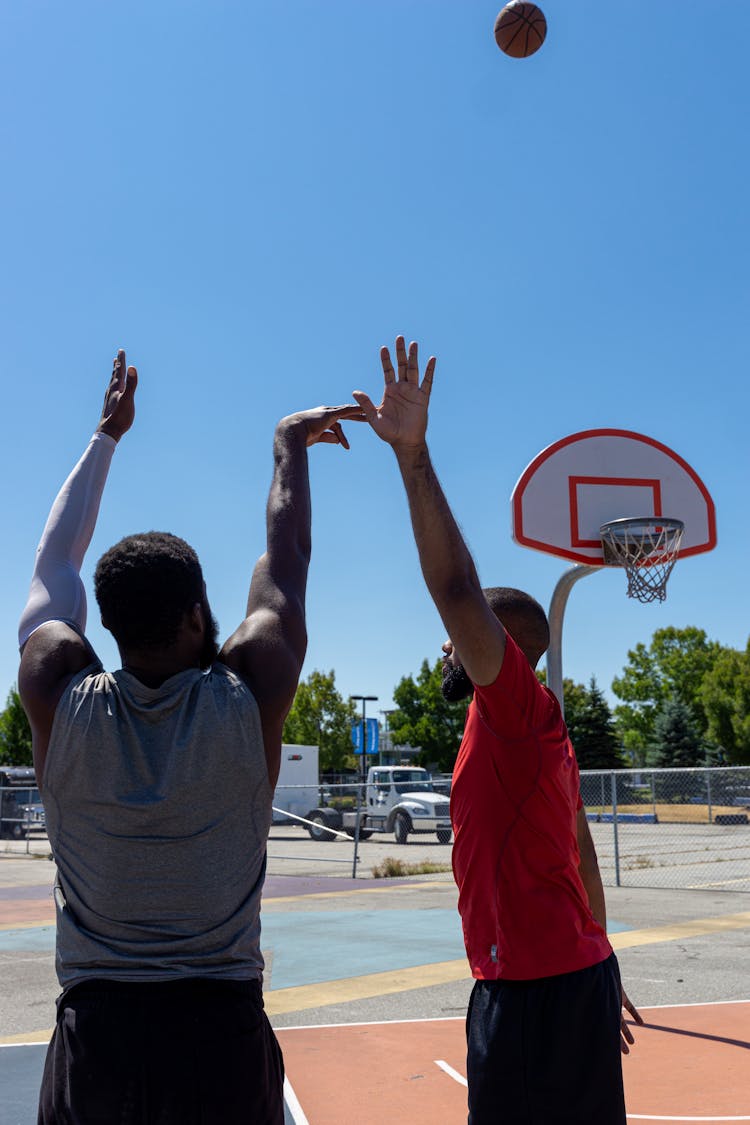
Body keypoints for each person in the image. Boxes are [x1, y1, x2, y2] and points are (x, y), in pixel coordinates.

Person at [18, 349, 363, 1125]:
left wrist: (106, 436)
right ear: (192, 617)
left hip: (97, 1038)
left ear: (107, 623)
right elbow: (286, 561)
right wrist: (287, 444)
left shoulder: (54, 685)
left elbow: (54, 562)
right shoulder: (249, 691)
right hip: (218, 1036)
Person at [353, 337, 643, 1125]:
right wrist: (606, 960)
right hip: (569, 977)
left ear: (500, 650)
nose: (445, 645)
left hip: (534, 991)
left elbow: (454, 591)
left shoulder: (515, 708)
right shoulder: (544, 735)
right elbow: (581, 853)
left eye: (464, 641)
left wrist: (413, 456)